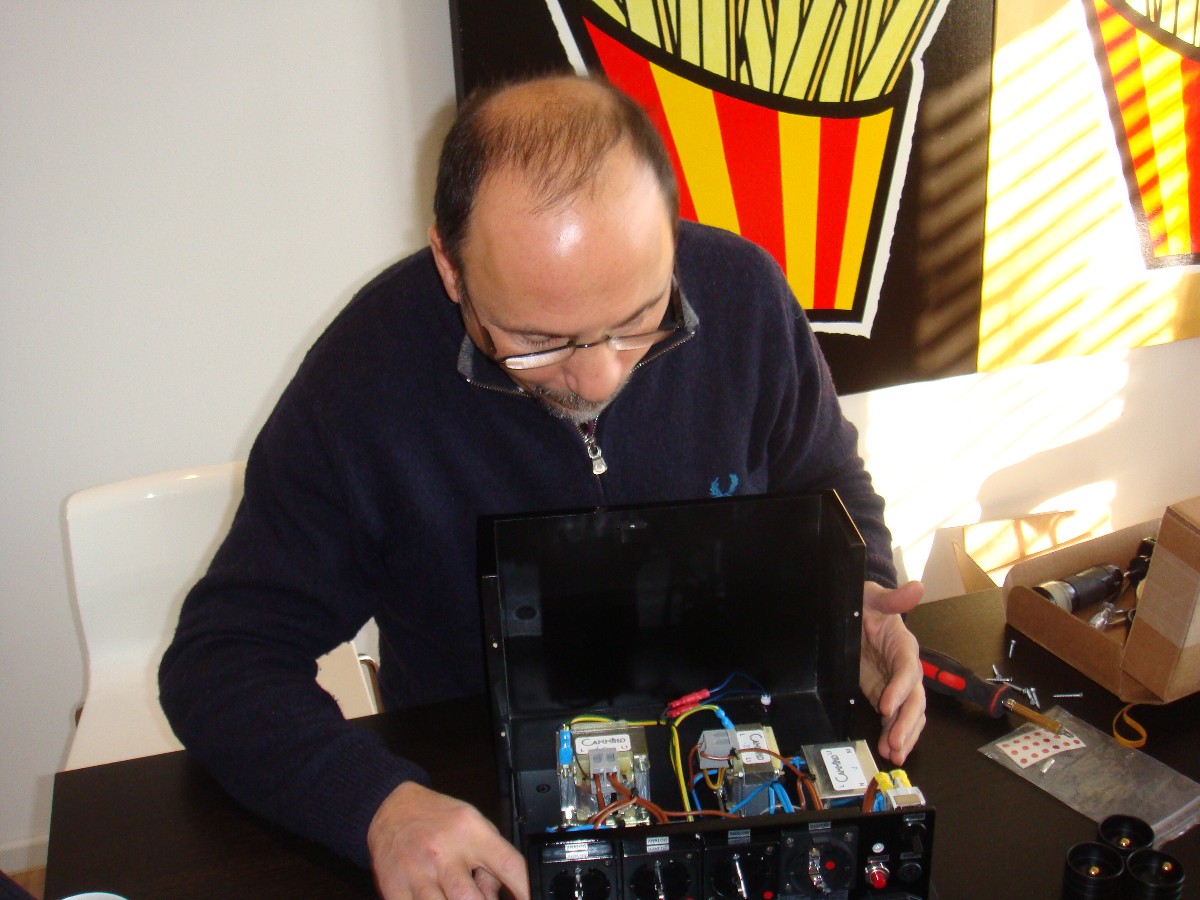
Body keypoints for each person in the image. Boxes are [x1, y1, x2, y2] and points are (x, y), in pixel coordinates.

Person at [160, 72, 926, 899]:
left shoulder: (745, 297)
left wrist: (855, 603)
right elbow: (221, 659)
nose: (599, 379)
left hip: (741, 776)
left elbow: (828, 484)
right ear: (451, 267)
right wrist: (378, 807)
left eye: (638, 321)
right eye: (537, 341)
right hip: (484, 811)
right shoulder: (364, 380)